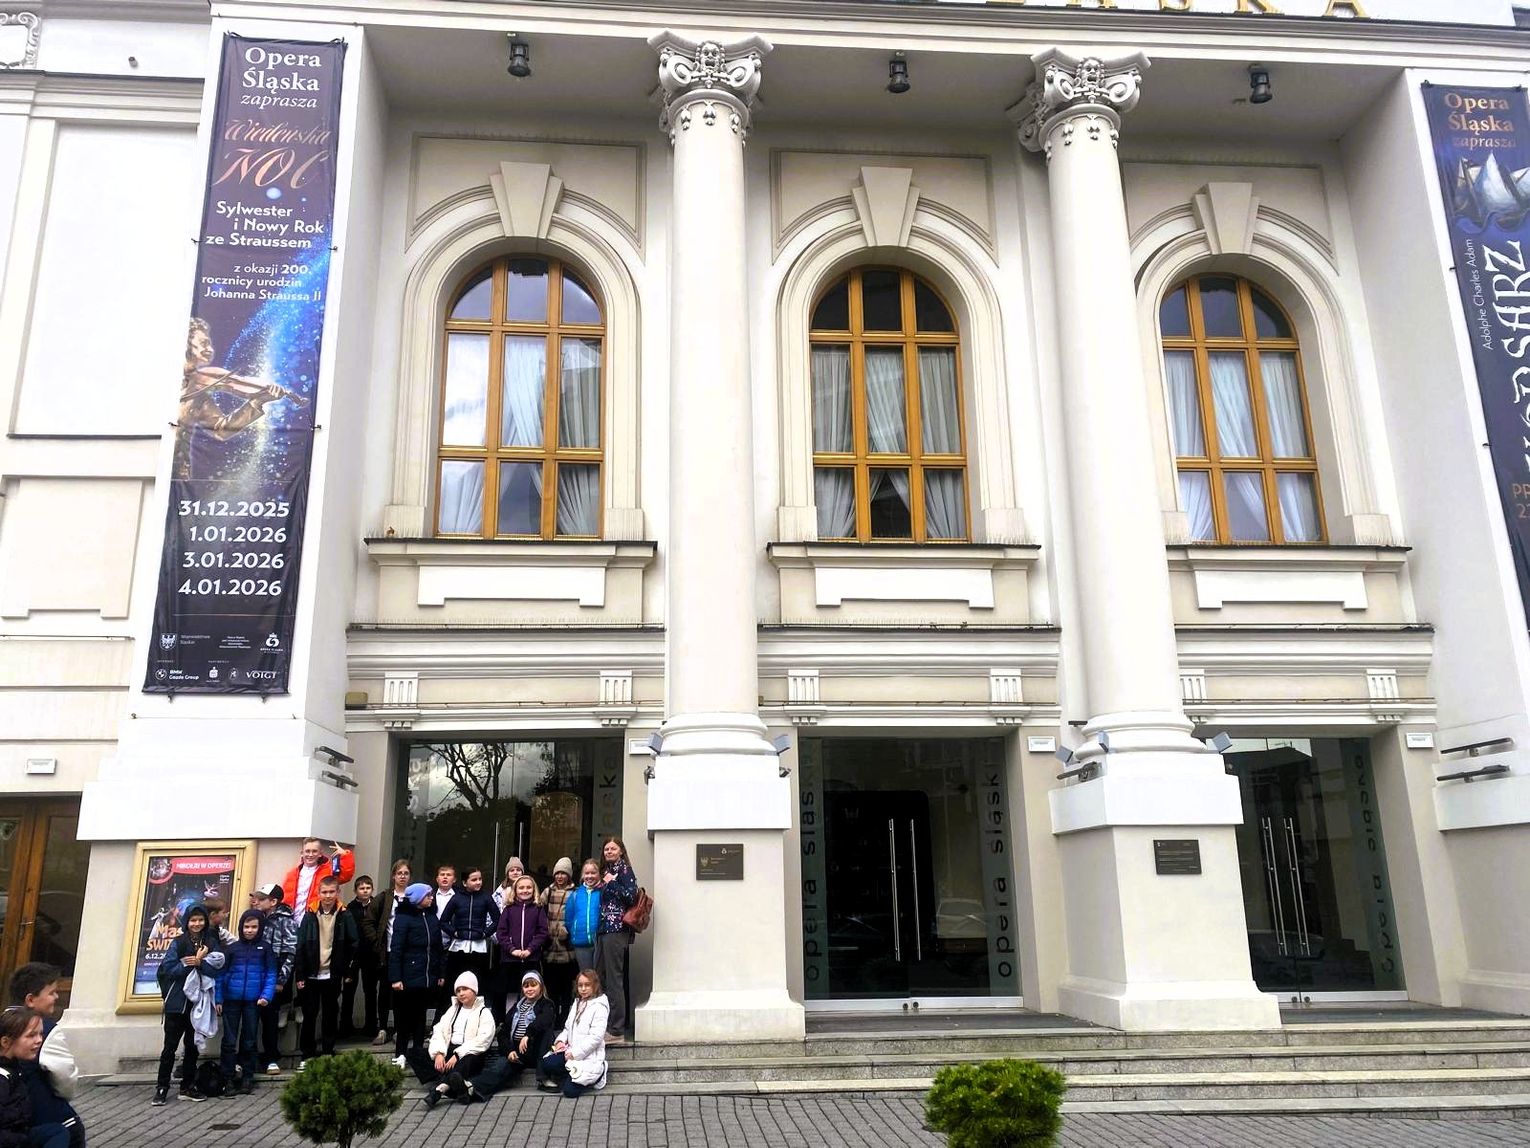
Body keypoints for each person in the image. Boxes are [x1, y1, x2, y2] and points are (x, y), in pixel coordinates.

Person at [177, 318, 303, 480]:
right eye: (203, 343)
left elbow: (221, 430)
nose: (210, 349)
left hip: (177, 472)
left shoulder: (199, 397)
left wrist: (257, 402)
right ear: (186, 344)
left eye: (209, 343)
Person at [152, 904, 226, 1105]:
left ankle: (187, 1086)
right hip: (177, 1003)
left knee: (192, 1048)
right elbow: (168, 969)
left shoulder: (210, 942)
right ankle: (161, 1088)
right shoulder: (178, 942)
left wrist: (201, 962)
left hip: (198, 1004)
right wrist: (188, 962)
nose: (197, 924)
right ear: (187, 922)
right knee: (169, 1047)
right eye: (193, 920)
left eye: (200, 920)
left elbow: (218, 969)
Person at [6, 965, 83, 1146]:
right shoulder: (46, 1030)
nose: (56, 997)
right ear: (30, 1000)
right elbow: (65, 1076)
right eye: (51, 992)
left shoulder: (4, 1022)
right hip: (50, 1116)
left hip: (15, 1120)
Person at [460, 970, 557, 1102]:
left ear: (541, 987)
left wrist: (528, 1035)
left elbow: (544, 1020)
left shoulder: (546, 1004)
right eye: (526, 986)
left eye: (533, 985)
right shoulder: (517, 1006)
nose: (529, 989)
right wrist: (509, 1050)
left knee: (546, 1032)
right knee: (501, 1067)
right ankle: (471, 1087)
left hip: (535, 1049)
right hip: (518, 1050)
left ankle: (543, 1077)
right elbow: (504, 1031)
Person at [293, 876, 359, 1065]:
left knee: (330, 1012)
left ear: (338, 892)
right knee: (310, 1013)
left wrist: (348, 971)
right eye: (324, 892)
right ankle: (307, 1053)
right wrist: (300, 973)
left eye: (331, 892)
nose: (328, 896)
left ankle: (328, 1050)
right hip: (311, 973)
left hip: (333, 972)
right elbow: (301, 945)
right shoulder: (309, 914)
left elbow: (353, 943)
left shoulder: (345, 915)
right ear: (318, 893)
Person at [407, 972, 495, 1109]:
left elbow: (483, 1039)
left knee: (468, 1060)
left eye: (465, 989)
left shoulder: (484, 1012)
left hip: (469, 1053)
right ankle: (456, 1086)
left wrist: (458, 1054)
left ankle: (439, 1090)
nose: (461, 993)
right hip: (448, 1051)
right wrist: (439, 1053)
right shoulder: (452, 1010)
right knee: (414, 1053)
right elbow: (439, 1031)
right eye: (458, 991)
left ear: (474, 990)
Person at [215, 910, 275, 1096]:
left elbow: (271, 973)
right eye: (246, 927)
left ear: (260, 928)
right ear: (241, 927)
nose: (249, 930)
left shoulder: (266, 948)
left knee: (249, 1040)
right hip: (231, 1000)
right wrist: (219, 998)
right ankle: (227, 1078)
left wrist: (266, 995)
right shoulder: (233, 948)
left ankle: (247, 1077)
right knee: (229, 1041)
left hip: (253, 1001)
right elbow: (221, 975)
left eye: (254, 927)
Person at [387, 883, 442, 1065]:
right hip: (408, 975)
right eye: (428, 896)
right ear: (418, 898)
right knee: (404, 1017)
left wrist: (439, 973)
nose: (431, 898)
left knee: (420, 1016)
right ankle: (400, 1053)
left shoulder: (432, 917)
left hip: (426, 975)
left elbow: (437, 948)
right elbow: (396, 949)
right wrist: (396, 978)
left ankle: (417, 1053)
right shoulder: (404, 918)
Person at [537, 968, 609, 1098]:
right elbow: (567, 1028)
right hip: (570, 1051)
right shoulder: (577, 1003)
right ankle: (571, 1075)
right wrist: (560, 1041)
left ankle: (599, 1074)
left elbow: (596, 1038)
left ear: (595, 985)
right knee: (547, 1063)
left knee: (570, 1092)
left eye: (587, 985)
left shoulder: (600, 1006)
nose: (583, 989)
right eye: (580, 985)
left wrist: (575, 1054)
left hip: (589, 1056)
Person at [438, 866, 499, 1020]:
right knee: (452, 986)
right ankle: (444, 1022)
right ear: (465, 882)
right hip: (458, 947)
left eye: (480, 879)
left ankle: (478, 1022)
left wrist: (485, 933)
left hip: (479, 948)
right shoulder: (457, 898)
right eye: (474, 879)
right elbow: (443, 921)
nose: (478, 882)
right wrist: (455, 933)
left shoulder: (486, 898)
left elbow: (498, 920)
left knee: (478, 986)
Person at [0, 1007, 66, 1148]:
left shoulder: (17, 1067)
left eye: (40, 1034)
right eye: (31, 1035)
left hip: (17, 1136)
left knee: (57, 1131)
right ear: (5, 1042)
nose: (39, 1040)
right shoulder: (3, 1078)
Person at [596, 837, 638, 1043]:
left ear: (621, 851)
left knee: (614, 980)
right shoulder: (607, 871)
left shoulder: (624, 871)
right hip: (604, 929)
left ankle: (617, 1030)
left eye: (613, 848)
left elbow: (631, 897)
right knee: (601, 978)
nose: (609, 852)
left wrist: (611, 883)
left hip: (617, 929)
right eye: (606, 849)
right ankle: (606, 1025)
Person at [253, 883, 297, 1075]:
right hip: (255, 975)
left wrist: (281, 980)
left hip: (273, 977)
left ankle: (272, 1057)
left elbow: (290, 952)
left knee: (270, 1018)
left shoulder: (286, 921)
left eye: (262, 899)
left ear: (273, 902)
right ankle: (252, 1058)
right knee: (253, 1018)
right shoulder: (257, 919)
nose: (257, 902)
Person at [366, 861, 411, 1047]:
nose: (402, 876)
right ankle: (383, 1028)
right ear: (393, 876)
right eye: (399, 873)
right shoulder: (384, 897)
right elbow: (368, 922)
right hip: (387, 952)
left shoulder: (413, 897)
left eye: (406, 873)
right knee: (385, 991)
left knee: (403, 994)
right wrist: (377, 943)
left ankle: (401, 1029)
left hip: (407, 954)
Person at [494, 875, 547, 1009]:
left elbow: (542, 932)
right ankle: (507, 1018)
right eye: (521, 888)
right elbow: (501, 932)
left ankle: (528, 1017)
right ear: (515, 890)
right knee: (507, 991)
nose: (525, 890)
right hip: (510, 959)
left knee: (530, 991)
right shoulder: (509, 909)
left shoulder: (538, 909)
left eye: (528, 887)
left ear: (534, 890)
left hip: (531, 958)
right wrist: (512, 949)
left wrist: (530, 949)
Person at [282, 839, 356, 925]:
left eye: (314, 851)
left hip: (315, 921)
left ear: (320, 854)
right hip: (291, 923)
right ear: (302, 853)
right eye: (307, 851)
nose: (310, 855)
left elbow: (346, 876)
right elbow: (284, 899)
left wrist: (345, 855)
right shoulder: (291, 874)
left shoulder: (328, 871)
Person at [539, 858, 577, 1014]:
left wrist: (569, 931)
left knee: (567, 985)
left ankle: (565, 1015)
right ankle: (553, 1014)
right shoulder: (547, 892)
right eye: (557, 873)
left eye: (564, 873)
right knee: (551, 984)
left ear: (569, 875)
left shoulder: (575, 893)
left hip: (567, 946)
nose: (560, 876)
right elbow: (538, 910)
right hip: (550, 945)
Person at [342, 876, 377, 1040]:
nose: (365, 891)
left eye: (368, 888)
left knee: (370, 990)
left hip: (371, 954)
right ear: (356, 891)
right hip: (353, 954)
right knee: (348, 990)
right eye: (361, 888)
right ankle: (345, 1026)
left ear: (372, 890)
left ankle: (371, 1026)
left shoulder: (376, 906)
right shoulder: (350, 908)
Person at [566, 860, 602, 975]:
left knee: (600, 977)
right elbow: (569, 919)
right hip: (581, 943)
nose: (589, 876)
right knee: (586, 976)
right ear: (582, 875)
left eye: (593, 873)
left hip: (600, 942)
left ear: (599, 874)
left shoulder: (604, 892)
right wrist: (574, 931)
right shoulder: (576, 895)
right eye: (587, 873)